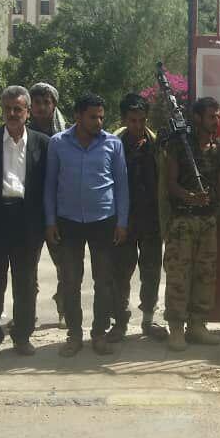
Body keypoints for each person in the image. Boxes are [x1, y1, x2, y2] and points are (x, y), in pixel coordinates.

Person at [44, 94, 129, 357]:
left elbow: (122, 185)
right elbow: (50, 184)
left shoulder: (112, 144)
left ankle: (99, 334)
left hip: (104, 221)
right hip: (68, 222)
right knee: (70, 281)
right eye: (93, 117)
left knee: (103, 282)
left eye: (101, 117)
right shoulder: (58, 143)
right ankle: (74, 335)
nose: (99, 122)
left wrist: (122, 222)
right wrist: (50, 221)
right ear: (78, 116)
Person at [0, 86, 49, 360]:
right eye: (8, 109)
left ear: (27, 112)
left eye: (18, 109)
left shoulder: (43, 143)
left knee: (26, 282)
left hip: (27, 221)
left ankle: (22, 336)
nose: (13, 113)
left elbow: (47, 185)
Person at [163, 96, 220, 351]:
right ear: (197, 118)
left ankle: (197, 325)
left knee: (206, 275)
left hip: (208, 221)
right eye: (211, 116)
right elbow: (171, 184)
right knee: (179, 276)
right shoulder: (179, 145)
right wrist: (190, 197)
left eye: (218, 116)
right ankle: (176, 329)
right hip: (183, 220)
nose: (216, 121)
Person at [109, 93, 167, 342]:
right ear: (124, 119)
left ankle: (148, 319)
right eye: (133, 120)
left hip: (152, 220)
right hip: (123, 221)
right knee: (120, 273)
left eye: (142, 120)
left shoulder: (156, 145)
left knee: (151, 272)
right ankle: (120, 322)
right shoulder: (112, 145)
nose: (138, 125)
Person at [27, 82, 68, 328]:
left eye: (46, 102)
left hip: (59, 211)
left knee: (65, 265)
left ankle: (64, 310)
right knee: (27, 267)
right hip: (30, 212)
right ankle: (27, 314)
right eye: (37, 103)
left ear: (54, 105)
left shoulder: (65, 137)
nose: (41, 107)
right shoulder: (21, 134)